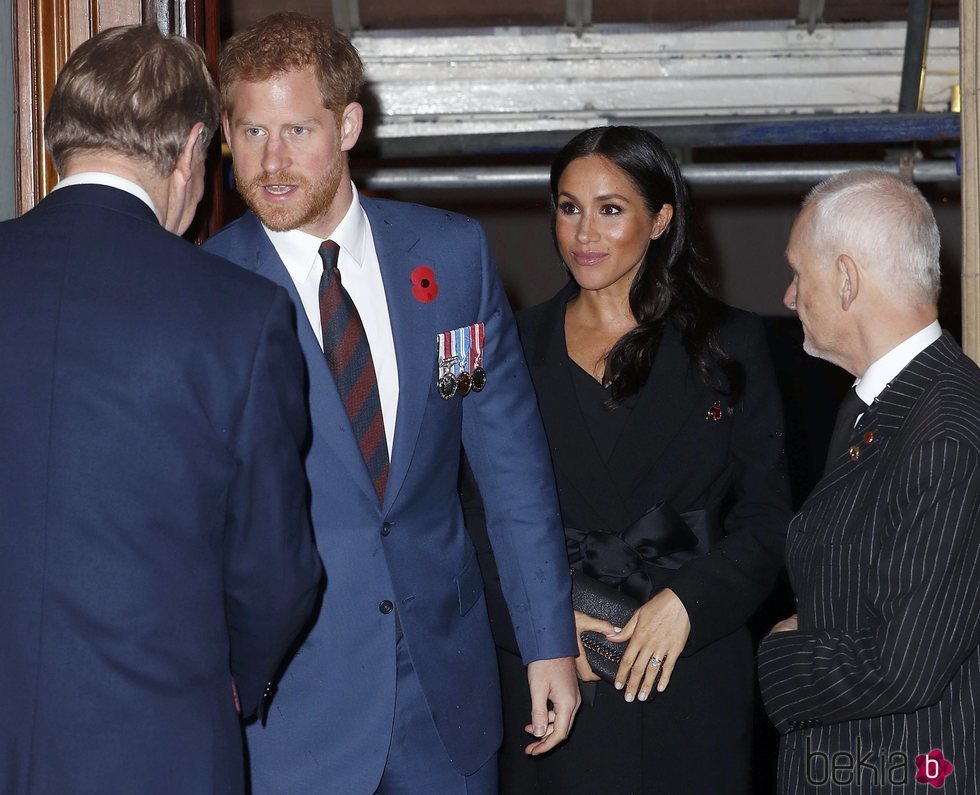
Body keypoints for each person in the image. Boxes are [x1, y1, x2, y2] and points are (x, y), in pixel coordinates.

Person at [203, 12, 579, 794]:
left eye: (297, 130)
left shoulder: (452, 259)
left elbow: (511, 469)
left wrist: (549, 644)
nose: (271, 163)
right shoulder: (203, 289)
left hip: (447, 703)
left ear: (347, 125)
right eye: (250, 133)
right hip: (287, 721)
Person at [0, 24, 323, 795]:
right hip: (159, 747)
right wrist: (231, 678)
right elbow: (276, 574)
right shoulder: (240, 314)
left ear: (57, 142)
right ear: (186, 151)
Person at [465, 125, 793, 794]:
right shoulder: (506, 348)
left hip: (686, 667)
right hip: (553, 678)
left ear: (660, 218)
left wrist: (690, 602)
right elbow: (469, 525)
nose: (585, 232)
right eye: (568, 206)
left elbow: (768, 519)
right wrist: (545, 625)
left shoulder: (732, 343)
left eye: (610, 209)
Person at [758, 169, 980, 793]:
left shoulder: (946, 431)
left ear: (847, 279)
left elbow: (904, 666)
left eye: (799, 273)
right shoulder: (883, 406)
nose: (788, 294)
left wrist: (779, 657)